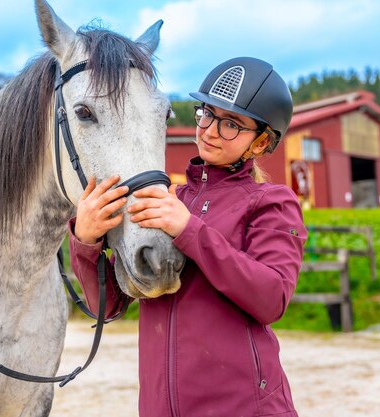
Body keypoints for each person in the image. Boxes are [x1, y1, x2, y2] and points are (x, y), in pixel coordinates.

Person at [69, 57, 307, 417]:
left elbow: (272, 298)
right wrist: (86, 242)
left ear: (260, 143)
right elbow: (111, 305)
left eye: (230, 124)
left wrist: (189, 231)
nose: (210, 130)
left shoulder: (272, 202)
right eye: (207, 114)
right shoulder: (171, 200)